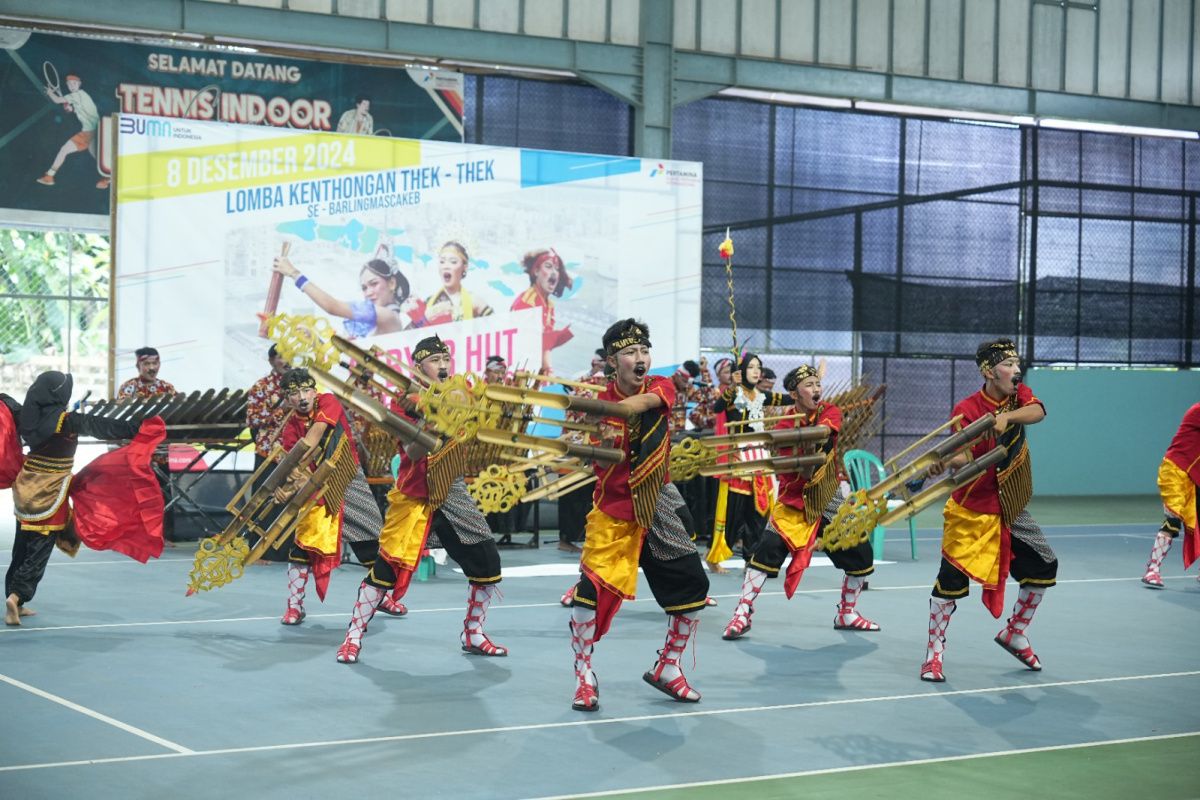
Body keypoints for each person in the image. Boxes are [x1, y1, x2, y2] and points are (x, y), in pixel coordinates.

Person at [333, 335, 508, 664]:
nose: (443, 366)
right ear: (417, 367)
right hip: (414, 492)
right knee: (387, 567)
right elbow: (413, 450)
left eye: (446, 359)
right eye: (435, 360)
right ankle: (353, 636)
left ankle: (473, 632)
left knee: (487, 561)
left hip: (451, 489)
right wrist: (434, 417)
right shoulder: (403, 403)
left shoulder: (459, 395)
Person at [567, 319, 710, 712]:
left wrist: (600, 409)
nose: (640, 358)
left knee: (692, 587)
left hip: (656, 500)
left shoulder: (657, 388)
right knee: (587, 598)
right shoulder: (595, 404)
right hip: (613, 509)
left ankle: (668, 666)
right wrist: (585, 430)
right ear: (613, 361)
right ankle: (584, 675)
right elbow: (576, 444)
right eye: (630, 353)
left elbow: (639, 406)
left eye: (644, 351)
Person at [920, 339, 1056, 683]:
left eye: (1016, 363)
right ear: (989, 371)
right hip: (972, 508)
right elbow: (962, 457)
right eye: (1009, 364)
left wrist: (1006, 417)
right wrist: (949, 461)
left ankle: (1015, 632)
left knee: (1044, 564)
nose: (1016, 369)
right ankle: (933, 654)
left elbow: (1039, 411)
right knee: (949, 583)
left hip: (1009, 504)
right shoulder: (966, 408)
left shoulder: (1018, 396)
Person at [722, 365, 878, 640]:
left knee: (860, 552)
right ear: (794, 393)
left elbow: (822, 436)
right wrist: (798, 443)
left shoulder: (830, 412)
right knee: (766, 551)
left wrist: (803, 440)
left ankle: (847, 612)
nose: (817, 389)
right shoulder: (782, 427)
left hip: (827, 495)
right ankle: (742, 612)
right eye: (809, 384)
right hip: (793, 500)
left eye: (817, 383)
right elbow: (802, 473)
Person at [2, 371, 166, 625]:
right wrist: (141, 428)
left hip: (25, 487)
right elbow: (105, 427)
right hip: (52, 489)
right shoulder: (67, 420)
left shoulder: (27, 416)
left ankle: (16, 599)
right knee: (40, 548)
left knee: (22, 544)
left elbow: (7, 402)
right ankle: (17, 595)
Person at [274, 368, 386, 626]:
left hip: (347, 475)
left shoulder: (328, 401)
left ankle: (382, 595)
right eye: (294, 394)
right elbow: (296, 468)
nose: (302, 397)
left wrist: (293, 476)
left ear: (314, 390)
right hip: (318, 485)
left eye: (306, 390)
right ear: (287, 398)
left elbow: (313, 439)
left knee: (366, 538)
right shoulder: (290, 428)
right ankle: (294, 606)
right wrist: (289, 486)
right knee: (303, 543)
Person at [706, 352, 791, 572]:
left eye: (758, 367)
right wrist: (733, 389)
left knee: (758, 513)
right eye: (751, 367)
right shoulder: (733, 394)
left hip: (759, 458)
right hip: (738, 458)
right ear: (741, 371)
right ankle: (716, 556)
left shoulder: (761, 395)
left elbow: (787, 399)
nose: (756, 371)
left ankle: (751, 557)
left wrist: (807, 386)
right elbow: (717, 408)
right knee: (734, 512)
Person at [273, 250, 419, 337]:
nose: (368, 292)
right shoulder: (372, 322)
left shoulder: (389, 316)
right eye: (364, 288)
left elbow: (332, 307)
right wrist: (314, 340)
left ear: (392, 283)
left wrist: (294, 274)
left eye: (374, 284)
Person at [1140, 402, 1200, 588]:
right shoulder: (1197, 410)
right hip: (1175, 470)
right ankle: (1152, 570)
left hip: (1194, 475)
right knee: (1173, 520)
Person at [37, 74, 107, 189]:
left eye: (74, 83)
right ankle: (108, 178)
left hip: (89, 132)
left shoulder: (77, 95)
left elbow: (57, 100)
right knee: (99, 158)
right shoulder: (81, 95)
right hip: (96, 131)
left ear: (79, 84)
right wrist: (70, 109)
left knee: (64, 150)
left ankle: (49, 176)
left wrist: (49, 92)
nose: (72, 86)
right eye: (69, 84)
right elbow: (74, 109)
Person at [511, 248, 574, 372]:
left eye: (556, 269)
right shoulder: (527, 300)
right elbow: (524, 343)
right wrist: (556, 337)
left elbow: (545, 347)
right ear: (536, 271)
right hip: (518, 368)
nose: (554, 272)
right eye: (548, 266)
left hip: (535, 368)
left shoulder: (549, 305)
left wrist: (548, 370)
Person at [415, 242, 493, 326]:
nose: (446, 266)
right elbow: (407, 336)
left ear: (464, 267)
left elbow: (498, 328)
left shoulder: (474, 301)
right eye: (442, 262)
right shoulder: (428, 303)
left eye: (453, 262)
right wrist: (425, 318)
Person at [246, 345, 290, 471]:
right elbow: (252, 420)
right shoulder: (261, 386)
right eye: (281, 357)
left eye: (290, 356)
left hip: (294, 453)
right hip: (268, 452)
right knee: (264, 490)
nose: (287, 361)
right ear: (271, 361)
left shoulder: (300, 386)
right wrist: (282, 410)